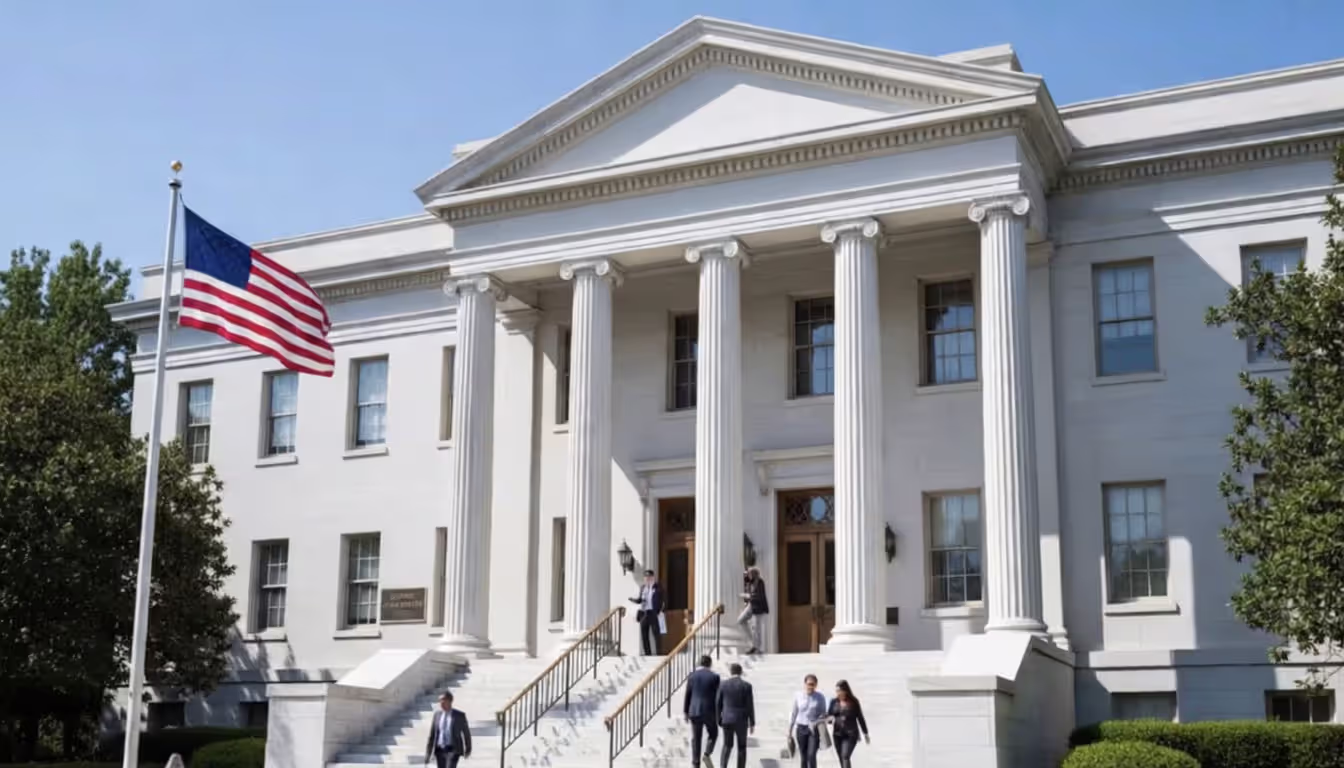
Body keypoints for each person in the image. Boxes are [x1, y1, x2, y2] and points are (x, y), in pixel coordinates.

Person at [683, 655, 720, 768]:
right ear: (710, 664)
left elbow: (688, 694)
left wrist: (686, 711)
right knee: (713, 733)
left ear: (700, 663)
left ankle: (696, 763)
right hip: (709, 710)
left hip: (694, 710)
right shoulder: (715, 677)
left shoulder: (692, 676)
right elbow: (717, 696)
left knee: (696, 738)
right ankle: (707, 754)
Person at [716, 662, 755, 768]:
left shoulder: (723, 684)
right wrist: (752, 723)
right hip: (741, 720)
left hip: (727, 719)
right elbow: (750, 705)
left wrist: (718, 718)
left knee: (727, 745)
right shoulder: (746, 686)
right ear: (741, 672)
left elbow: (718, 703)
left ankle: (723, 766)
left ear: (731, 672)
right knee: (742, 747)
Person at [826, 680, 869, 768]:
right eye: (836, 691)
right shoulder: (833, 702)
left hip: (851, 734)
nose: (837, 693)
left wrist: (865, 733)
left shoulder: (854, 702)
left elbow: (860, 718)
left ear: (845, 690)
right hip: (837, 734)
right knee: (841, 758)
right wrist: (829, 719)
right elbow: (829, 717)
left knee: (845, 756)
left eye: (839, 691)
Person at [787, 674, 827, 768]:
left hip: (813, 729)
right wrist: (790, 730)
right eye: (809, 684)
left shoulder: (820, 697)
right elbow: (794, 713)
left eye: (813, 684)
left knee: (811, 755)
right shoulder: (798, 696)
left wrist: (816, 722)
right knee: (803, 756)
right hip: (801, 728)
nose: (810, 686)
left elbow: (824, 714)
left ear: (816, 685)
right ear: (805, 684)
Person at [424, 691, 471, 767]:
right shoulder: (437, 715)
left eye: (443, 700)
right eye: (440, 700)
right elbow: (432, 735)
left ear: (450, 701)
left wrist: (468, 748)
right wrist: (428, 753)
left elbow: (466, 733)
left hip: (453, 749)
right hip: (439, 750)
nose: (441, 703)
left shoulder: (459, 716)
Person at [628, 569, 665, 656]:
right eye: (646, 577)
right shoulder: (643, 588)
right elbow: (640, 600)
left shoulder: (658, 587)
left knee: (656, 634)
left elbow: (664, 600)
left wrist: (661, 611)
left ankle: (659, 653)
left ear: (653, 577)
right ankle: (647, 654)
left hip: (653, 613)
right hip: (644, 613)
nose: (647, 579)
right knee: (644, 635)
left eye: (649, 577)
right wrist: (633, 600)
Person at [737, 567, 768, 655]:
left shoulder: (760, 582)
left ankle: (757, 648)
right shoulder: (750, 582)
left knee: (756, 629)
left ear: (753, 574)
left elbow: (759, 596)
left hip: (758, 608)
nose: (748, 576)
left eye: (750, 574)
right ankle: (753, 643)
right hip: (751, 606)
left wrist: (747, 596)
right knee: (741, 620)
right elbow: (746, 581)